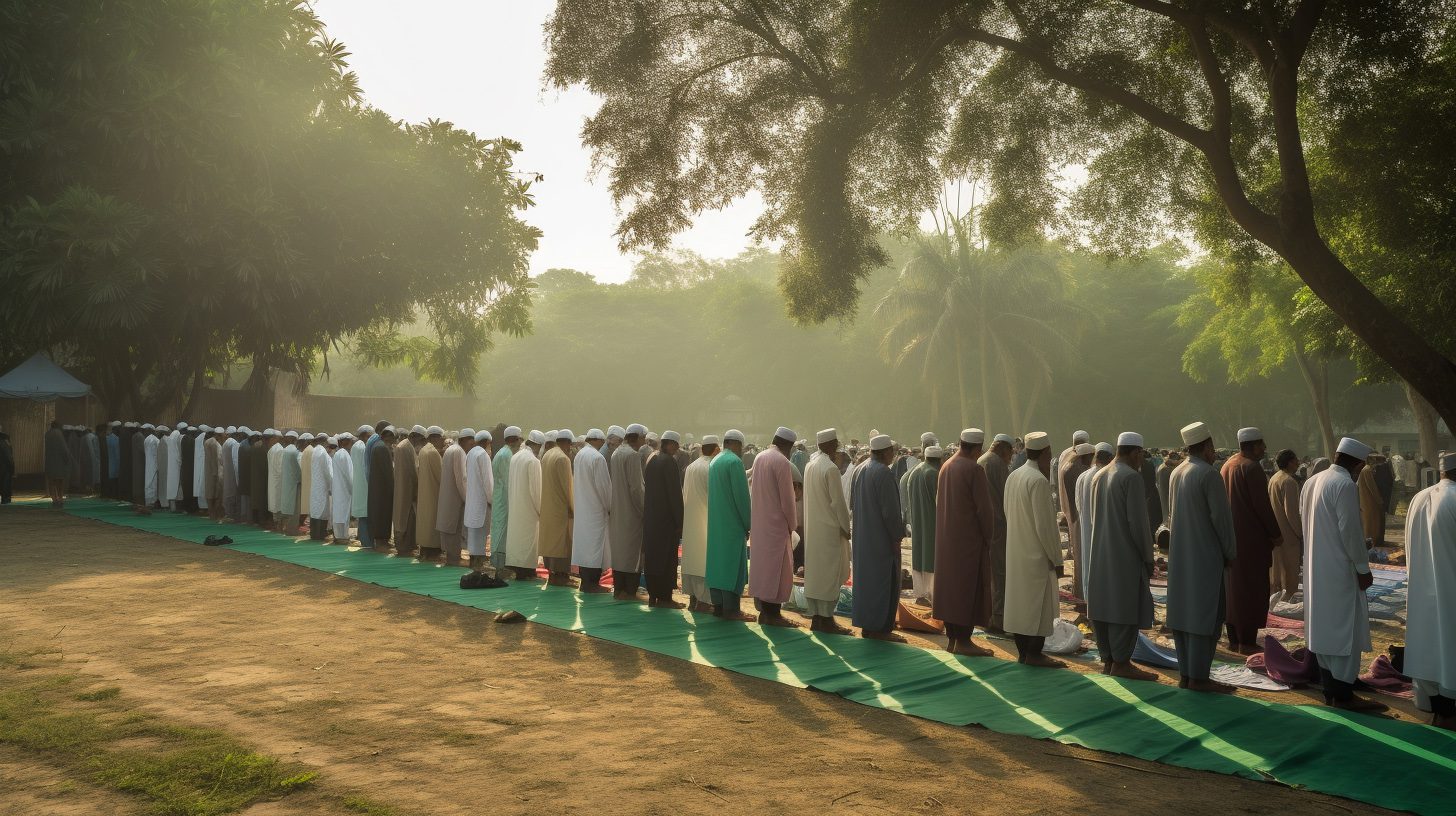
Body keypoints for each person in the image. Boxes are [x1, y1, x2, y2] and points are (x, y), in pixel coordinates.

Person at [1302, 436, 1386, 712]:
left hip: (1317, 567)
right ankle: (1343, 695)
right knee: (1343, 631)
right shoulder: (1344, 484)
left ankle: (1332, 688)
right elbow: (1350, 533)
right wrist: (1363, 569)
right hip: (1340, 570)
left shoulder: (1313, 481)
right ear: (1359, 464)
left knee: (1324, 630)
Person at [1167, 422, 1238, 693]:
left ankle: (1187, 674)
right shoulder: (1209, 475)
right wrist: (1230, 552)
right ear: (1207, 447)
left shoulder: (1177, 472)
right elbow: (1222, 520)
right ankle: (1199, 677)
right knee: (1204, 616)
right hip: (1206, 556)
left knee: (1184, 615)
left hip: (1181, 555)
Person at [1087, 432, 1157, 681]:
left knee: (1105, 606)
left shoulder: (1099, 475)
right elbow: (1138, 524)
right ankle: (1121, 662)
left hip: (1100, 551)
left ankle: (1107, 659)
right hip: (1124, 553)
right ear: (1136, 452)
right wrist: (1148, 558)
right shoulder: (1131, 478)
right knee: (1124, 608)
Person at [1404, 451, 1456, 731]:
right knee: (1448, 650)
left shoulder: (1419, 498)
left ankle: (1437, 709)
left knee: (1428, 648)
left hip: (1423, 589)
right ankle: (1448, 714)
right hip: (1450, 590)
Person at [932, 430, 996, 656]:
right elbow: (985, 511)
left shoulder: (946, 466)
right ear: (978, 449)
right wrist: (989, 537)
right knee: (967, 590)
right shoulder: (974, 469)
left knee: (951, 589)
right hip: (969, 541)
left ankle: (953, 639)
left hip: (948, 540)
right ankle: (964, 641)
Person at [1003, 431, 1063, 668]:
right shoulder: (1037, 480)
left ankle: (1023, 652)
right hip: (1037, 554)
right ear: (1046, 454)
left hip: (1017, 549)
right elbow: (1046, 526)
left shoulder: (1014, 476)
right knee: (1038, 606)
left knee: (1020, 605)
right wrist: (1056, 559)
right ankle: (1034, 653)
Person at [1221, 427, 1282, 654]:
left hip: (1230, 539)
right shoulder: (1251, 468)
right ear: (1253, 445)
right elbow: (1262, 507)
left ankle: (1234, 639)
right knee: (1251, 590)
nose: (1264, 449)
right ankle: (1246, 641)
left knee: (1232, 589)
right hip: (1251, 541)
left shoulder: (1227, 466)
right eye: (1261, 444)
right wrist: (1276, 534)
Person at [851, 434, 905, 641]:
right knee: (884, 583)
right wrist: (897, 536)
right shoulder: (883, 472)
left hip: (864, 537)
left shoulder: (859, 469)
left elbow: (852, 505)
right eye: (891, 450)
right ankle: (881, 629)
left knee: (866, 583)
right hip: (881, 540)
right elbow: (890, 512)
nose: (893, 454)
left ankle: (868, 625)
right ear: (885, 452)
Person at [802, 429, 851, 633]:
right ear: (832, 445)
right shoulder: (830, 469)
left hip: (813, 529)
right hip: (830, 529)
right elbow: (838, 503)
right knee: (830, 574)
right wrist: (846, 528)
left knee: (816, 574)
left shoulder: (810, 465)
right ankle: (827, 619)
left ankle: (817, 617)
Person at [706, 429, 754, 621]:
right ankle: (732, 609)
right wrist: (748, 523)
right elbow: (742, 498)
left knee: (717, 564)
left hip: (716, 522)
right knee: (732, 567)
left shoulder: (715, 461)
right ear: (737, 444)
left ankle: (718, 606)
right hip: (732, 524)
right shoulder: (734, 462)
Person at [643, 430, 686, 607]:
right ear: (671, 444)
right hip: (667, 520)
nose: (677, 449)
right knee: (667, 560)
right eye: (676, 445)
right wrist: (680, 521)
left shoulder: (652, 459)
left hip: (652, 518)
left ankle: (653, 596)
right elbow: (674, 494)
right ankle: (665, 598)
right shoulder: (669, 461)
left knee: (653, 558)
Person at [977, 433, 1014, 631]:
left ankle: (986, 614)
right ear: (1004, 449)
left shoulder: (981, 460)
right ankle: (998, 618)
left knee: (986, 572)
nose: (1011, 456)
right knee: (999, 573)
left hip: (983, 526)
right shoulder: (997, 464)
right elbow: (1006, 496)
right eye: (1010, 452)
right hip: (998, 526)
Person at [608, 423, 649, 599]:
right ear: (638, 437)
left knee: (619, 551)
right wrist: (645, 509)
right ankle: (629, 590)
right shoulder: (632, 455)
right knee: (631, 553)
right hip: (631, 512)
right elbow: (636, 488)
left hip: (618, 509)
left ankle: (619, 588)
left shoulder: (617, 452)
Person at [571, 428, 613, 593]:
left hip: (583, 507)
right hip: (595, 509)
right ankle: (592, 584)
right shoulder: (597, 457)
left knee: (584, 546)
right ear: (599, 440)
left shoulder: (580, 455)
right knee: (594, 548)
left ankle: (586, 582)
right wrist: (610, 506)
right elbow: (604, 487)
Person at [1075, 443, 1114, 599]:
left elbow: (1079, 507)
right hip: (1103, 535)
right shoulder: (1107, 476)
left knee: (1089, 568)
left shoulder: (1082, 477)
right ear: (1110, 458)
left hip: (1086, 532)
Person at [905, 444, 943, 603]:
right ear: (939, 460)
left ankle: (920, 594)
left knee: (919, 557)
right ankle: (932, 595)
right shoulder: (933, 473)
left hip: (917, 522)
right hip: (932, 523)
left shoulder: (914, 472)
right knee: (931, 557)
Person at [1267, 448, 1304, 605]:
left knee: (1278, 568)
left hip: (1276, 531)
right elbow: (1292, 513)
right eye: (1296, 460)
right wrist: (1300, 533)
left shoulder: (1275, 478)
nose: (1298, 463)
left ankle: (1276, 598)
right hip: (1288, 535)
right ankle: (1287, 599)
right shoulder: (1289, 482)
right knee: (1289, 570)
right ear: (1289, 462)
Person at [505, 430, 543, 580]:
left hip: (516, 506)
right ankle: (527, 572)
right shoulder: (533, 461)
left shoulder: (515, 457)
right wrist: (541, 510)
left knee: (517, 540)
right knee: (527, 542)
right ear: (538, 445)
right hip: (529, 509)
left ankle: (519, 570)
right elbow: (536, 490)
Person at [538, 429, 575, 586]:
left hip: (548, 507)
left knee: (550, 542)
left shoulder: (547, 455)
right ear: (567, 443)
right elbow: (568, 487)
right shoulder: (562, 458)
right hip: (560, 509)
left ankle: (553, 574)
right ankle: (561, 576)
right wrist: (573, 508)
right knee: (561, 544)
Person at [436, 429, 474, 566]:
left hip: (449, 496)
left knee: (451, 529)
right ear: (463, 440)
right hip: (455, 499)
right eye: (470, 443)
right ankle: (453, 560)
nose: (471, 446)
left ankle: (452, 558)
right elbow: (461, 479)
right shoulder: (459, 452)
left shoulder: (452, 449)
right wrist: (467, 499)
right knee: (454, 529)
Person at [1061, 441, 1093, 598]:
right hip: (1080, 517)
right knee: (1083, 556)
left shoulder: (1069, 467)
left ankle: (1079, 589)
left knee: (1079, 556)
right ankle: (1083, 591)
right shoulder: (1078, 470)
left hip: (1075, 517)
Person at [465, 429, 498, 574]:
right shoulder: (483, 455)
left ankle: (473, 562)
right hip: (481, 502)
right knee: (480, 534)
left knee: (473, 535)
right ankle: (478, 564)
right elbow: (488, 482)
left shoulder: (470, 453)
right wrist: (492, 500)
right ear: (488, 442)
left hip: (471, 500)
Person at [491, 426, 521, 574]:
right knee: (502, 531)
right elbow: (509, 481)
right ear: (516, 440)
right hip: (504, 499)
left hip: (501, 497)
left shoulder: (504, 452)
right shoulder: (505, 455)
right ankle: (500, 567)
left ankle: (501, 566)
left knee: (501, 530)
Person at [415, 427, 445, 561]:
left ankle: (425, 549)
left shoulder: (423, 450)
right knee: (431, 522)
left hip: (425, 492)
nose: (443, 441)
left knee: (425, 522)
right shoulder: (432, 452)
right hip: (434, 493)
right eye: (441, 438)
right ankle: (431, 551)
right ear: (435, 437)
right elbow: (441, 477)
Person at [368, 426, 397, 552]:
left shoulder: (378, 446)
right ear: (389, 436)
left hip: (378, 488)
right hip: (383, 490)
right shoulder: (382, 448)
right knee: (382, 515)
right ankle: (381, 543)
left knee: (380, 515)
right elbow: (388, 473)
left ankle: (382, 541)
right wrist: (394, 487)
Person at [331, 433, 356, 542]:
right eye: (350, 441)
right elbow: (349, 475)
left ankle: (339, 535)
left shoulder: (338, 454)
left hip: (338, 488)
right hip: (344, 489)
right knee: (343, 512)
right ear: (345, 442)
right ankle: (342, 536)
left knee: (338, 512)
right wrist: (353, 489)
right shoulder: (345, 455)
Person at [309, 435, 334, 540]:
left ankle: (314, 533)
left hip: (315, 484)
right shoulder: (323, 453)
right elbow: (328, 472)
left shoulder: (314, 451)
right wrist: (332, 485)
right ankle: (320, 534)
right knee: (322, 510)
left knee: (315, 509)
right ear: (325, 442)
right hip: (323, 485)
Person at [1357, 454, 1385, 547]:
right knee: (1372, 521)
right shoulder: (1367, 470)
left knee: (1368, 521)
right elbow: (1372, 487)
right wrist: (1379, 499)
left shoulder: (1365, 469)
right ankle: (1372, 541)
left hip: (1366, 500)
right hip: (1369, 501)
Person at [43, 420, 72, 508]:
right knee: (59, 481)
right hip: (59, 461)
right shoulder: (59, 433)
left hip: (49, 461)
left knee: (51, 481)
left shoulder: (47, 434)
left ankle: (54, 499)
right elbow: (64, 448)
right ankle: (60, 499)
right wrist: (67, 458)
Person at [279, 432, 302, 531]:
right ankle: (291, 529)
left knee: (286, 504)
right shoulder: (294, 451)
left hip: (285, 480)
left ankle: (282, 526)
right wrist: (301, 479)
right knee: (294, 507)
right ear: (295, 440)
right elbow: (297, 469)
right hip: (294, 482)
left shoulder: (285, 450)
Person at [0, 430, 13, 503]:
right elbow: (9, 456)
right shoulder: (5, 443)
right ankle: (5, 500)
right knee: (6, 485)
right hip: (5, 467)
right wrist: (12, 467)